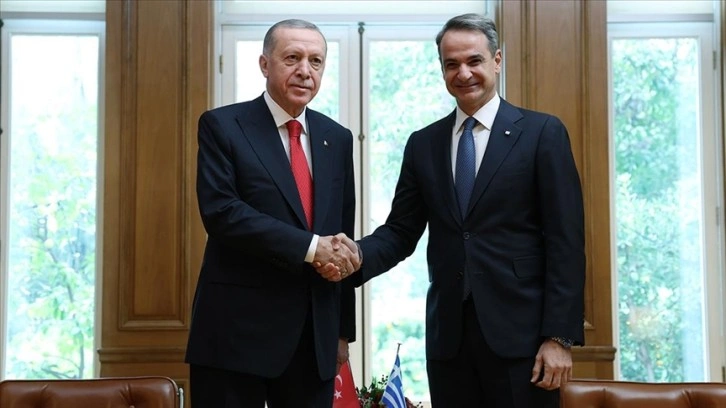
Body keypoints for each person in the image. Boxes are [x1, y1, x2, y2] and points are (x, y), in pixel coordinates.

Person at [318, 12, 585, 408]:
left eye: (474, 61)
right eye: (451, 64)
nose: (463, 73)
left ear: (497, 60)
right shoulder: (423, 144)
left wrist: (559, 337)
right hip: (449, 341)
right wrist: (354, 255)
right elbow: (400, 232)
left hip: (525, 341)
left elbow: (566, 241)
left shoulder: (542, 133)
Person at [185, 19, 361, 408]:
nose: (305, 71)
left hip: (313, 340)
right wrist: (311, 247)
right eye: (292, 58)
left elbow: (341, 235)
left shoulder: (337, 138)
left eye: (316, 61)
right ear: (265, 64)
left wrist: (341, 331)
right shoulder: (223, 126)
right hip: (235, 336)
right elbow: (222, 212)